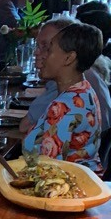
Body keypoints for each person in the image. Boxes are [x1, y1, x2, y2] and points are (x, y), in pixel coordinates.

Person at [22, 22, 104, 171]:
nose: (42, 55)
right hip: (83, 182)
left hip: (69, 188)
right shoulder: (85, 91)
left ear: (69, 58)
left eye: (49, 49)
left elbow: (48, 171)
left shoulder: (63, 107)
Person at [20, 18, 111, 136]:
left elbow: (26, 130)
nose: (37, 53)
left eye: (48, 48)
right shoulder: (85, 86)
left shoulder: (65, 103)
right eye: (38, 46)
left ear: (69, 57)